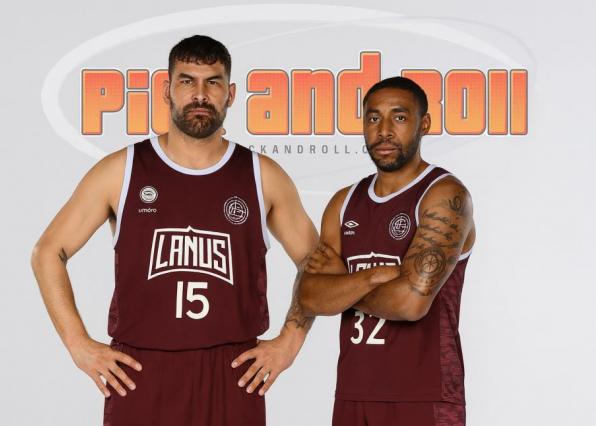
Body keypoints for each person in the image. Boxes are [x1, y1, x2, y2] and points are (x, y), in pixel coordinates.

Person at [31, 35, 318, 426]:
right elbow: (48, 252)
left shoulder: (262, 175)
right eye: (187, 81)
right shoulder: (121, 170)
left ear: (231, 94)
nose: (200, 94)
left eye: (213, 82)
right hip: (140, 370)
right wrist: (77, 344)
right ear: (167, 90)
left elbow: (315, 261)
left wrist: (290, 341)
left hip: (233, 371)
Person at [298, 76, 476, 426]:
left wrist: (342, 286)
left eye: (399, 117)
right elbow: (309, 296)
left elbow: (410, 303)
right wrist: (375, 277)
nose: (384, 131)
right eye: (373, 118)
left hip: (424, 394)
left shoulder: (445, 195)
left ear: (424, 124)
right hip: (354, 392)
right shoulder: (343, 202)